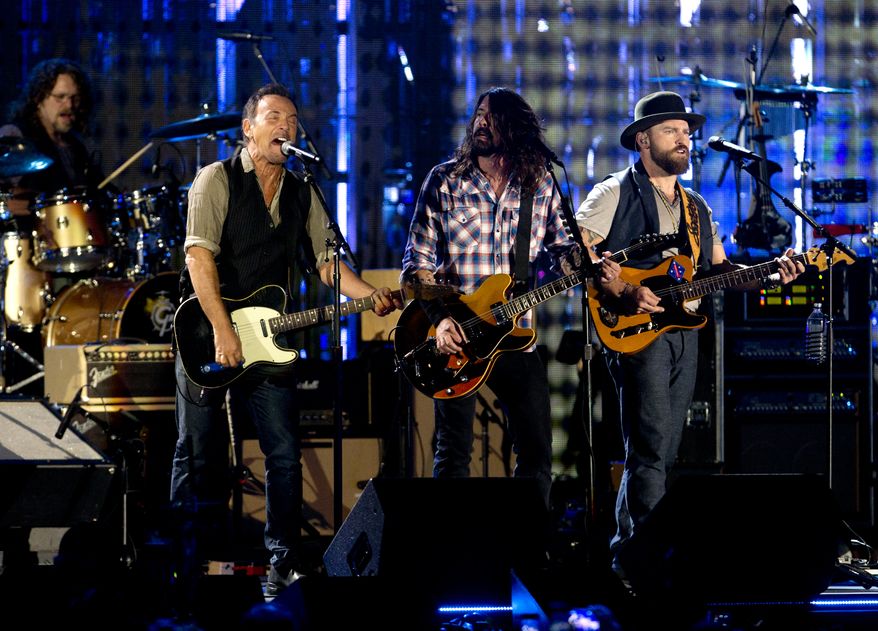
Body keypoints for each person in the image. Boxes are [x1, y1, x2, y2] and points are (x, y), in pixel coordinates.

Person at [171, 83, 401, 596]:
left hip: (268, 337)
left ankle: (283, 561)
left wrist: (371, 295)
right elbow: (197, 257)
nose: (286, 127)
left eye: (292, 120)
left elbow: (327, 262)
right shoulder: (217, 179)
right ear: (247, 128)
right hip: (208, 332)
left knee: (282, 451)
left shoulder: (302, 190)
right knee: (198, 451)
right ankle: (184, 564)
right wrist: (222, 329)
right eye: (273, 117)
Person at [575, 91, 804, 578]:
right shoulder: (612, 192)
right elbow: (578, 255)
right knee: (653, 446)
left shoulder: (696, 206)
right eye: (670, 131)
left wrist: (769, 273)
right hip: (636, 330)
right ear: (643, 140)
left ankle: (628, 556)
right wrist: (624, 290)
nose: (684, 140)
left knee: (660, 449)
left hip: (685, 330)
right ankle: (647, 566)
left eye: (686, 132)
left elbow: (719, 271)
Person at [401, 86, 617, 506]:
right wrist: (440, 318)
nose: (482, 122)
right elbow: (416, 265)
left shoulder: (538, 185)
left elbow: (562, 252)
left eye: (493, 116)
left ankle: (530, 551)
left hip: (516, 334)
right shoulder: (445, 181)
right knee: (454, 452)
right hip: (456, 334)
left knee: (537, 450)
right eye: (479, 114)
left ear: (517, 129)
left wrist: (588, 262)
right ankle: (453, 553)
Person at [0, 58, 103, 217]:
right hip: (31, 234)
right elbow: (5, 200)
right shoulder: (15, 135)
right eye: (60, 97)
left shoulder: (75, 146)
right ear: (38, 99)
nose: (69, 105)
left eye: (74, 98)